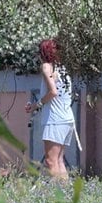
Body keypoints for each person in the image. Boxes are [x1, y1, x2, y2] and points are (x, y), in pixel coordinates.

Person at [24, 39, 75, 180]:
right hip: (67, 119)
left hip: (55, 120)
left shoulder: (47, 67)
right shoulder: (63, 69)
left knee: (51, 161)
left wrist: (36, 105)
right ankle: (67, 196)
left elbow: (53, 92)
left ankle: (57, 197)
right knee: (59, 160)